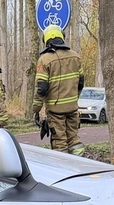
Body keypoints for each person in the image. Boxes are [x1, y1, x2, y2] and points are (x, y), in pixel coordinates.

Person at [32, 26, 85, 155]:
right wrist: (74, 99)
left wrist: (36, 109)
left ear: (47, 40)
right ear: (61, 37)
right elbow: (81, 83)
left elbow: (42, 88)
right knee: (74, 140)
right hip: (72, 109)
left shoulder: (45, 60)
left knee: (59, 142)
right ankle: (78, 164)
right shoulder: (75, 57)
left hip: (56, 111)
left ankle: (63, 169)